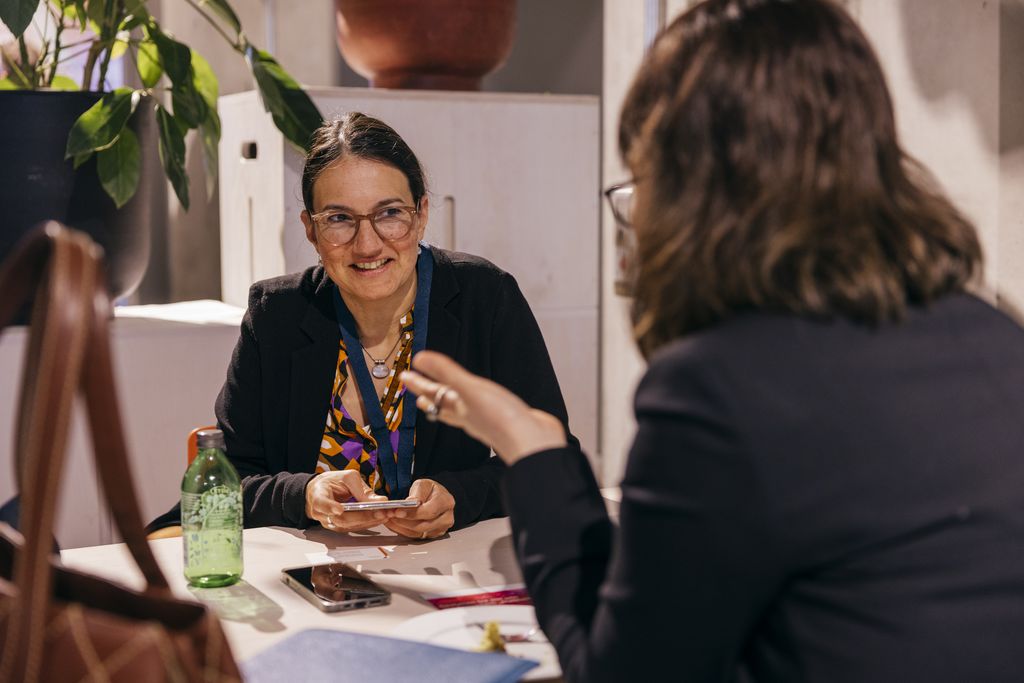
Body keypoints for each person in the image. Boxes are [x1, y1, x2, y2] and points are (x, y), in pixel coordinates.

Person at [399, 0, 1024, 680]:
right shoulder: (997, 338)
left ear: (686, 192)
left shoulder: (717, 390)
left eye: (643, 180)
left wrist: (532, 450)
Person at [149, 112, 574, 539]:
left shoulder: (484, 297)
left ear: (421, 214)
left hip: (446, 567)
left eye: (390, 213)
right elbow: (222, 484)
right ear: (311, 230)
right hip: (313, 567)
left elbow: (554, 459)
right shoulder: (276, 314)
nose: (367, 244)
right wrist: (303, 495)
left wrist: (461, 497)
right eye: (339, 219)